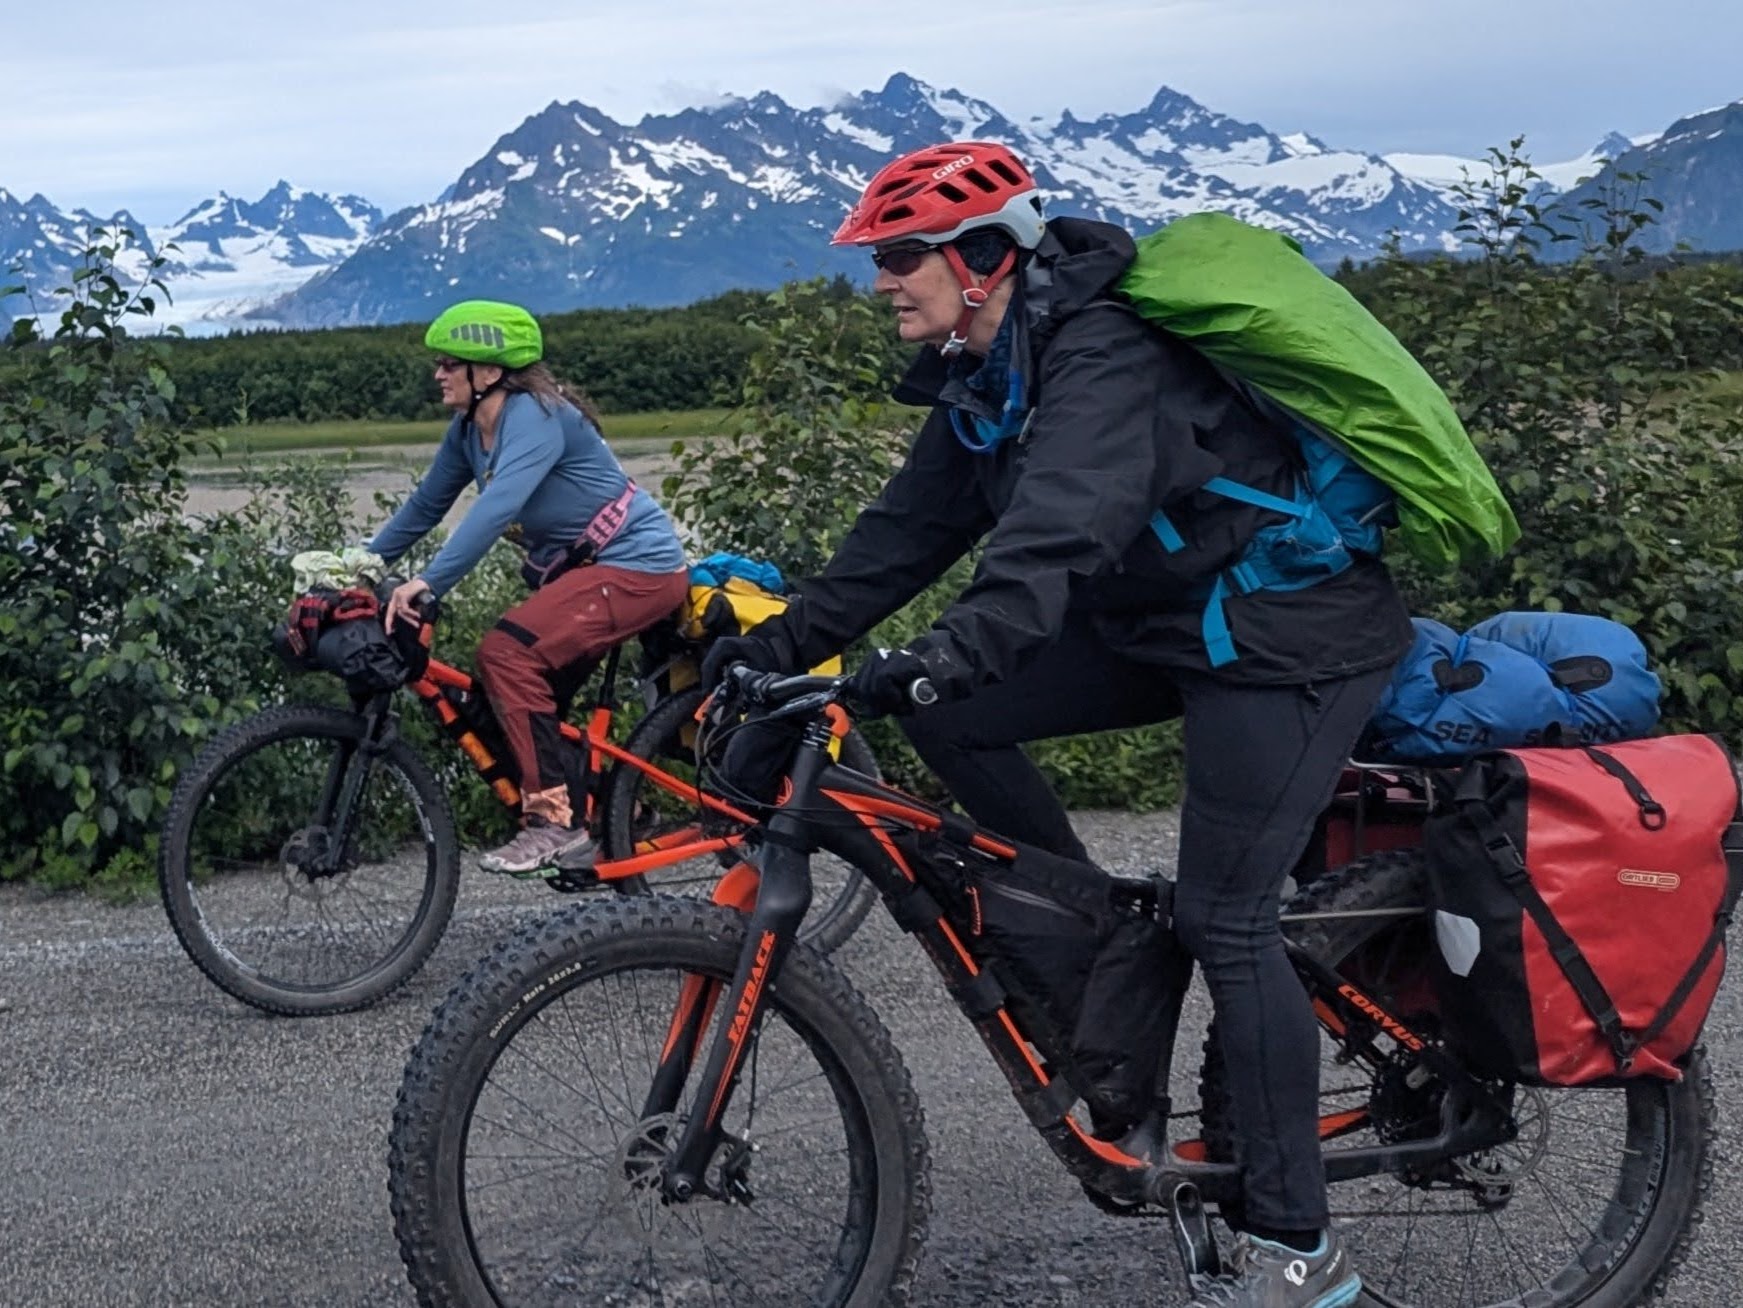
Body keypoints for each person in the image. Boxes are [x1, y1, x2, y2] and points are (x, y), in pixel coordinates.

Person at [702, 142, 1413, 1306]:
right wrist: (776, 642)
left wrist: (940, 653)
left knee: (1225, 915)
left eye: (900, 257)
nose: (881, 280)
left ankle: (1303, 1253)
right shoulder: (981, 374)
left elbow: (1055, 537)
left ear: (983, 260)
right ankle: (1098, 963)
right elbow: (904, 535)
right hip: (1167, 623)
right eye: (879, 259)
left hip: (1290, 628)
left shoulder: (1105, 355)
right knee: (963, 720)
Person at [373, 300, 688, 876]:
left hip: (638, 568)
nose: (437, 373)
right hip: (587, 576)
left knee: (507, 654)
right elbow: (425, 506)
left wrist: (428, 582)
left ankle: (552, 822)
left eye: (450, 362)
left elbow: (498, 507)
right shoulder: (470, 429)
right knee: (497, 697)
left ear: (489, 373)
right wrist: (357, 567)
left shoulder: (538, 416)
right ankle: (620, 809)